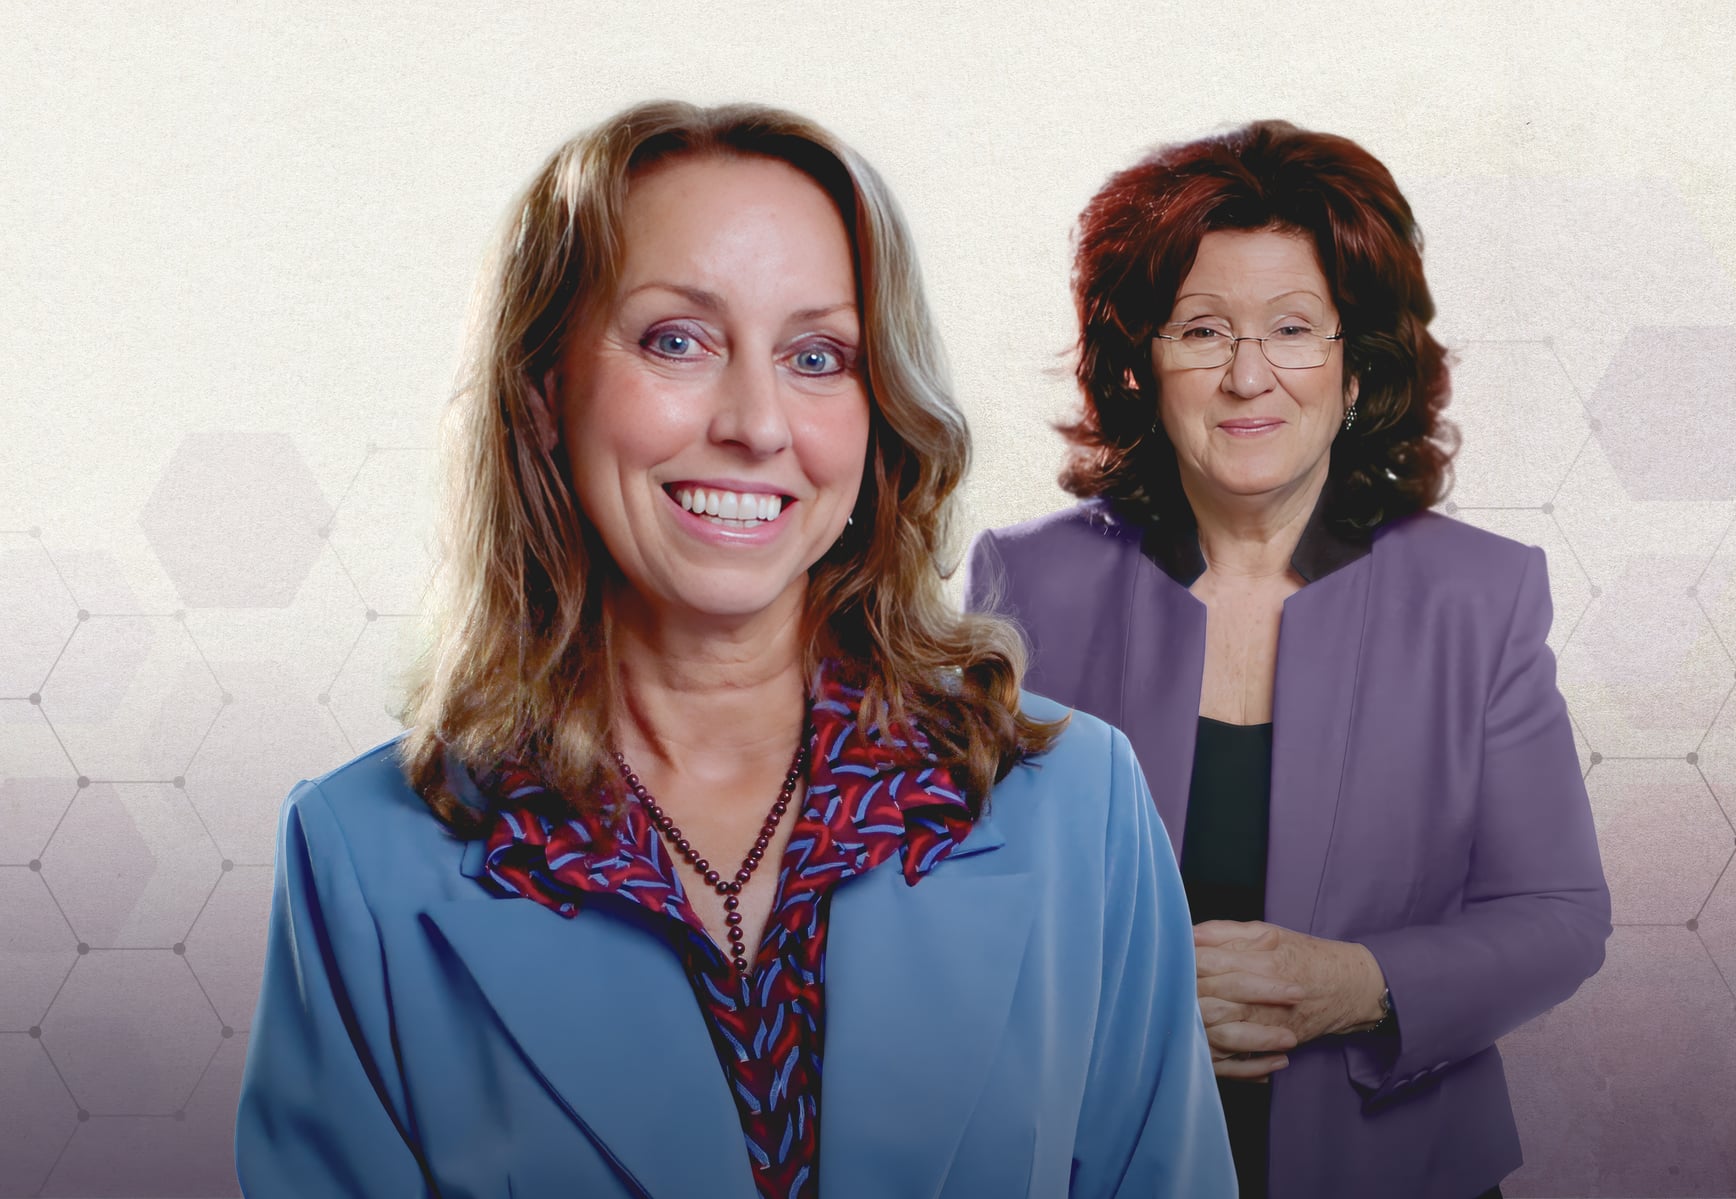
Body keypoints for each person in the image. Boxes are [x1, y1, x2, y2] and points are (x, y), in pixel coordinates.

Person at [236, 100, 1233, 1199]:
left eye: (818, 354)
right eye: (677, 339)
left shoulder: (1080, 809)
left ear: (879, 409)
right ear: (542, 392)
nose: (757, 421)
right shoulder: (360, 858)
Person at [965, 120, 1612, 1199]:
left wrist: (1355, 982)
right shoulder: (1028, 587)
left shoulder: (1481, 596)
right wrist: (1140, 995)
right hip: (1095, 1162)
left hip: (1403, 1169)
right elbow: (954, 901)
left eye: (1296, 328)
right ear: (1141, 364)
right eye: (1203, 329)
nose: (1248, 376)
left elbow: (1556, 914)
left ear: (1359, 366)